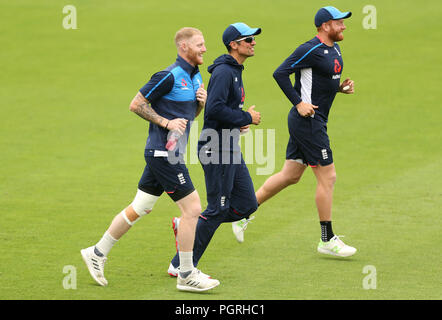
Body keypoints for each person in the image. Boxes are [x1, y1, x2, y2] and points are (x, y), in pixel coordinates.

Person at [80, 27, 220, 292]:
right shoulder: (168, 76)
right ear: (183, 47)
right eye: (199, 45)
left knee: (141, 205)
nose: (204, 49)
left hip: (170, 153)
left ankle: (96, 253)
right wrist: (165, 122)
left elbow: (188, 118)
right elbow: (136, 104)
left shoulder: (195, 77)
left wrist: (201, 103)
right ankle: (186, 273)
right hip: (163, 154)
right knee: (192, 210)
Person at [232, 6, 357, 257]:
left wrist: (339, 89)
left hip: (312, 120)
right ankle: (326, 239)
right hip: (308, 121)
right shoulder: (309, 49)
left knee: (290, 175)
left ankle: (240, 212)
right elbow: (280, 73)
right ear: (324, 26)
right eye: (339, 22)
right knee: (328, 177)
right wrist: (298, 103)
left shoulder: (335, 49)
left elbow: (320, 83)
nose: (343, 26)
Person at [167, 22, 262, 275]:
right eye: (248, 40)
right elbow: (215, 109)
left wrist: (239, 121)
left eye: (253, 39)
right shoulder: (223, 72)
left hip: (229, 146)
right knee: (218, 208)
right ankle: (180, 265)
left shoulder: (235, 70)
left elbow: (223, 110)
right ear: (234, 45)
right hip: (216, 148)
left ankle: (189, 226)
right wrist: (245, 118)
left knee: (247, 204)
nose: (253, 43)